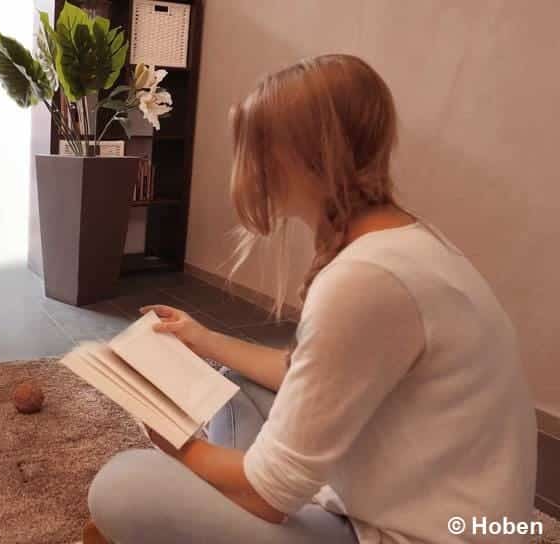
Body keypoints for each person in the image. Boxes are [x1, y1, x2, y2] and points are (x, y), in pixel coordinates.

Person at [87, 54, 537, 543]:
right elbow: (304, 372)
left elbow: (268, 497)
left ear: (304, 156)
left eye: (257, 149)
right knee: (232, 386)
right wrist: (204, 339)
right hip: (433, 506)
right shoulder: (403, 242)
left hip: (412, 532)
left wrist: (172, 442)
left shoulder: (365, 278)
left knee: (123, 484)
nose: (249, 167)